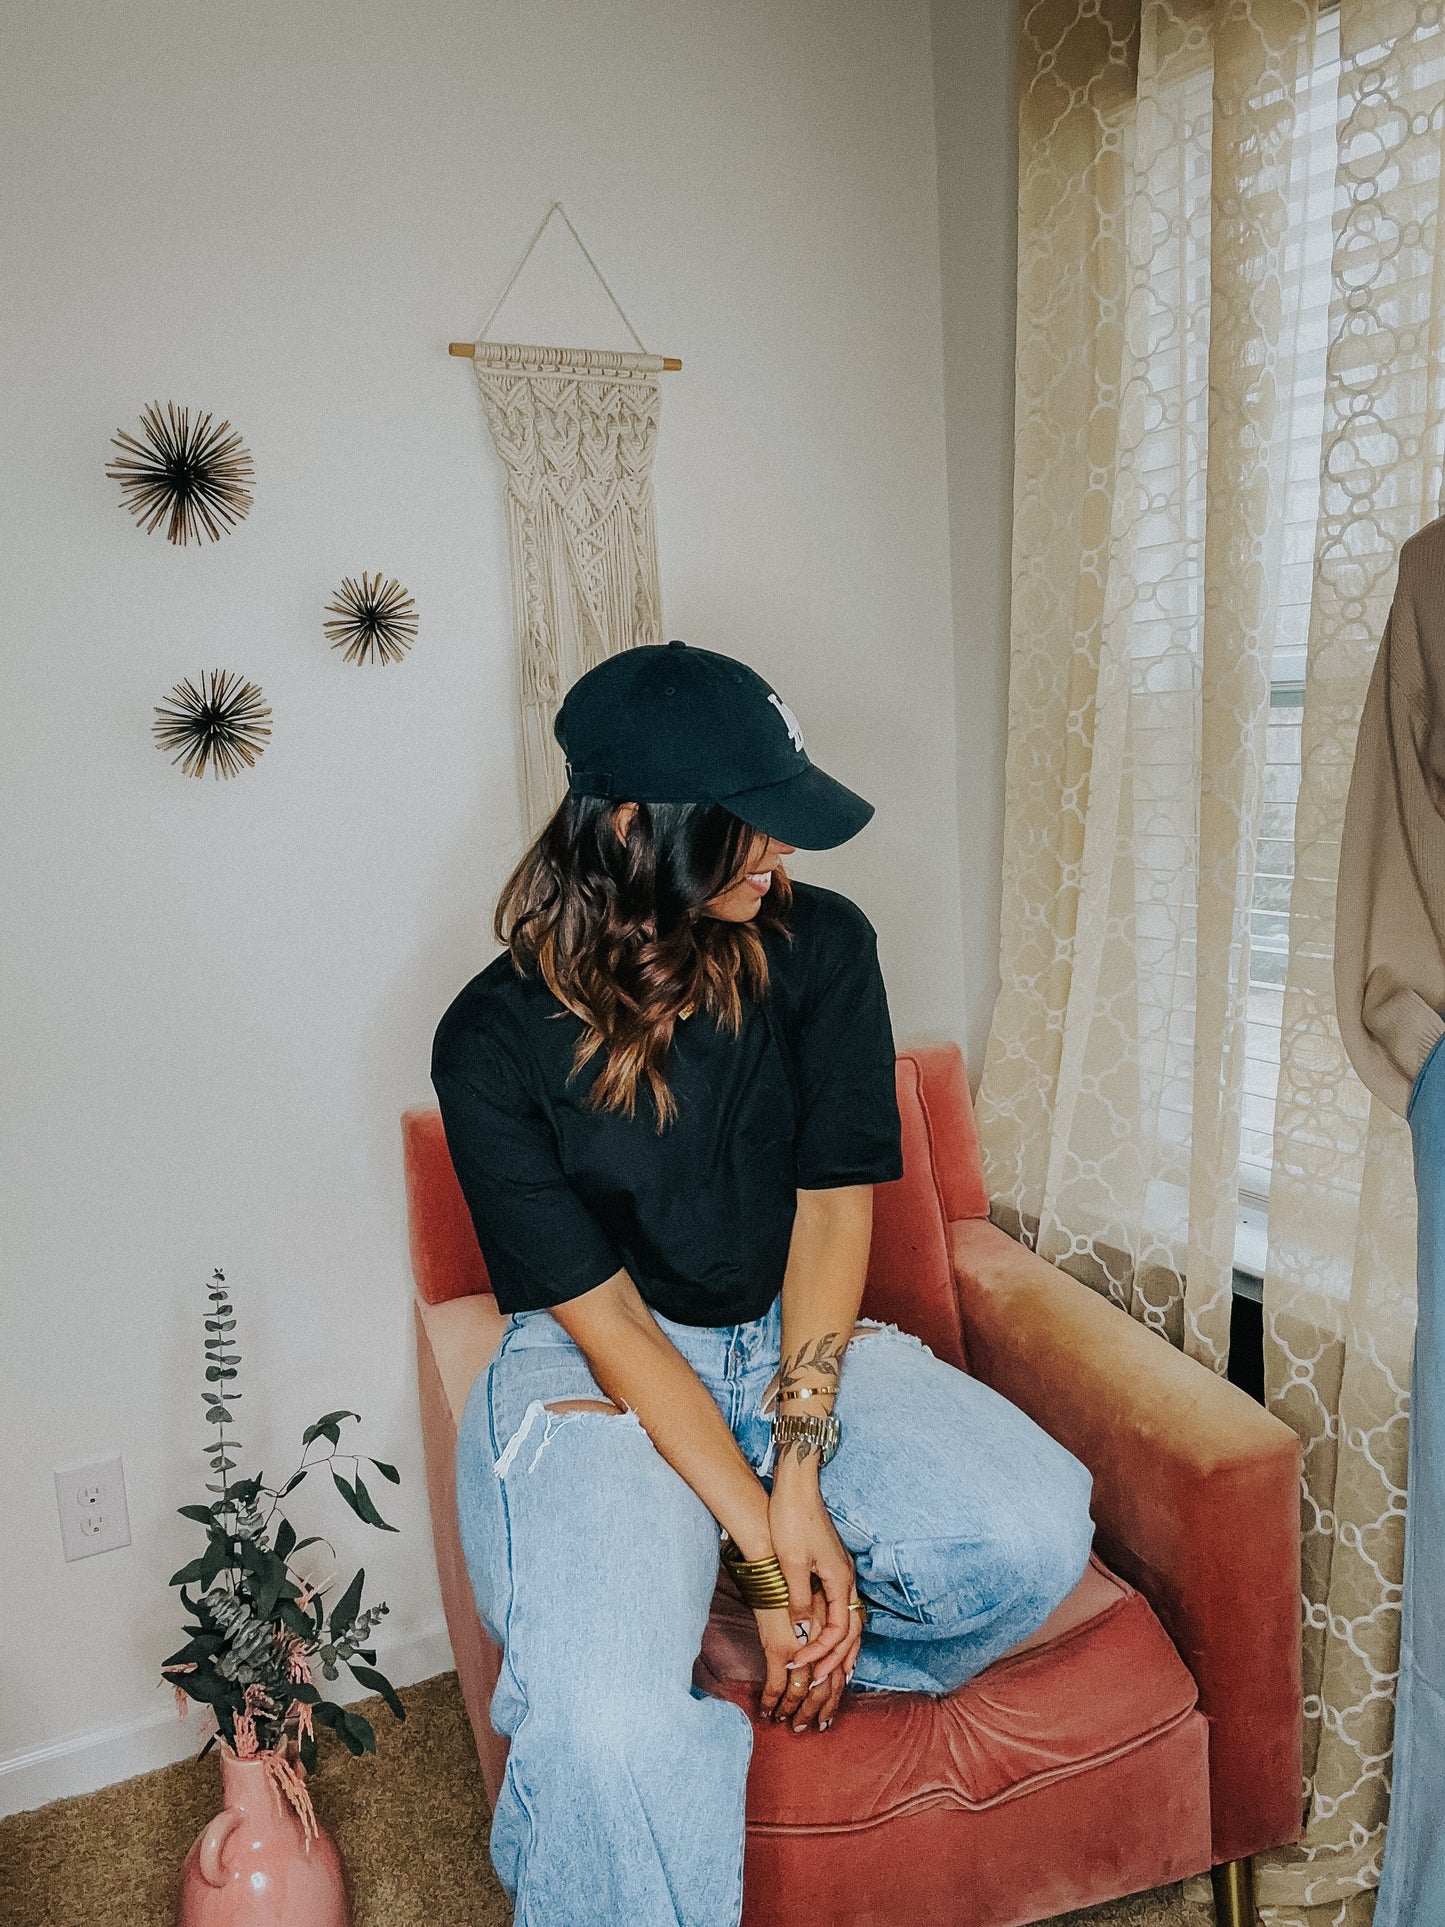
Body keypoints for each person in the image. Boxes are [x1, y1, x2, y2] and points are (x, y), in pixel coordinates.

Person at [431, 639, 1095, 1927]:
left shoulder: (825, 949)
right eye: (750, 830)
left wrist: (795, 1477)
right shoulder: (488, 1040)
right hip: (595, 1372)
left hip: (783, 1339)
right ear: (633, 827)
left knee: (1034, 1535)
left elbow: (832, 1208)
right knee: (608, 1732)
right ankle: (663, 1639)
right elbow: (606, 1317)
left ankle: (717, 1627)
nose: (780, 855)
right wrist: (775, 1554)